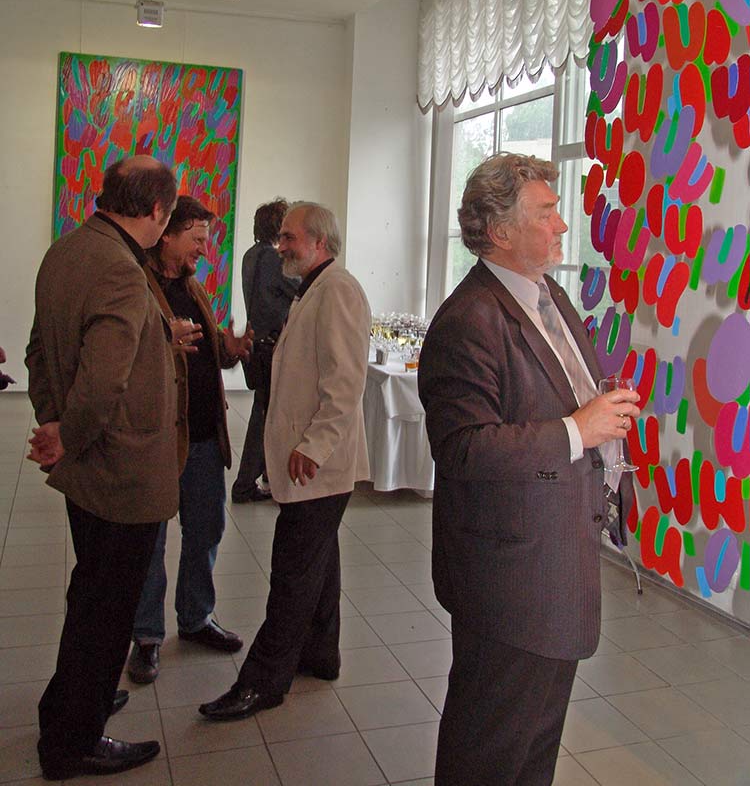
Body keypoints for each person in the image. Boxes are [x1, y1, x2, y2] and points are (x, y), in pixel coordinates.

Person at [417, 153, 638, 786]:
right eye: (545, 213)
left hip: (555, 562)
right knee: (490, 750)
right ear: (500, 231)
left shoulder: (549, 294)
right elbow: (462, 449)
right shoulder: (469, 320)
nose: (562, 225)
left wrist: (600, 429)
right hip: (509, 580)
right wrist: (578, 430)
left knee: (534, 748)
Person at [25, 155, 180, 780]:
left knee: (90, 593)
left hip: (89, 469)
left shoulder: (65, 250)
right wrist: (67, 433)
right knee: (107, 609)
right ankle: (74, 741)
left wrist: (53, 421)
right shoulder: (119, 267)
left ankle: (69, 703)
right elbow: (104, 380)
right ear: (157, 212)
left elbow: (38, 350)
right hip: (119, 471)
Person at [198, 202, 371, 721]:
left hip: (319, 463)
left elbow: (345, 384)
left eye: (290, 237)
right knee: (319, 560)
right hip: (310, 462)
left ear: (319, 241)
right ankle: (321, 655)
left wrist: (314, 446)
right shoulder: (313, 287)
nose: (281, 246)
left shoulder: (338, 290)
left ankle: (263, 681)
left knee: (292, 571)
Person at [126, 195, 252, 683]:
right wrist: (163, 341)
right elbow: (124, 352)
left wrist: (228, 348)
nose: (204, 248)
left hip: (202, 437)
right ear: (168, 235)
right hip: (157, 439)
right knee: (151, 541)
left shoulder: (191, 285)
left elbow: (206, 346)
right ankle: (146, 636)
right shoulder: (137, 285)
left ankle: (196, 618)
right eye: (197, 238)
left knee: (206, 531)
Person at [231, 198, 298, 504]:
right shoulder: (272, 258)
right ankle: (246, 483)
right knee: (266, 417)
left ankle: (265, 477)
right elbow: (299, 289)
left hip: (257, 344)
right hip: (271, 346)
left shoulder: (250, 254)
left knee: (264, 411)